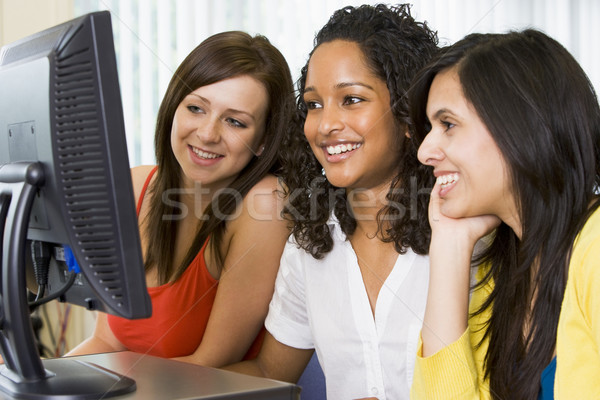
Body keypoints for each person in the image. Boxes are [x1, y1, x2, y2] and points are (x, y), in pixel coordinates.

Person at [224, 4, 438, 399]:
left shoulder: (464, 236)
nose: (324, 126)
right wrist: (156, 383)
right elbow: (271, 371)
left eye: (352, 99)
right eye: (313, 104)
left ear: (408, 114)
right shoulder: (313, 241)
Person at [67, 31, 295, 367]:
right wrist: (40, 382)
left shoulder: (266, 205)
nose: (207, 134)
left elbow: (209, 367)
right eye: (195, 108)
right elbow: (108, 340)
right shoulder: (134, 185)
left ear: (263, 141)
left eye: (235, 121)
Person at [409, 29, 600, 399]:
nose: (425, 151)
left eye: (447, 124)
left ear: (521, 126)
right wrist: (449, 245)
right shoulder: (505, 267)